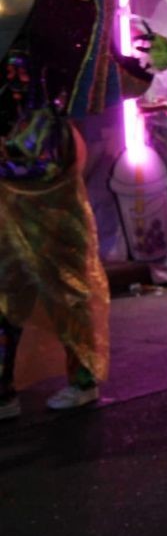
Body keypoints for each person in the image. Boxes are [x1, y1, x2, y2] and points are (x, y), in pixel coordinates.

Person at [0, 51, 110, 417]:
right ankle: (5, 391)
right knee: (7, 308)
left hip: (57, 236)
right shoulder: (15, 120)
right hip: (15, 236)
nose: (15, 82)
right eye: (9, 74)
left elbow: (44, 169)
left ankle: (82, 383)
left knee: (67, 307)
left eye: (22, 74)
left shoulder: (49, 122)